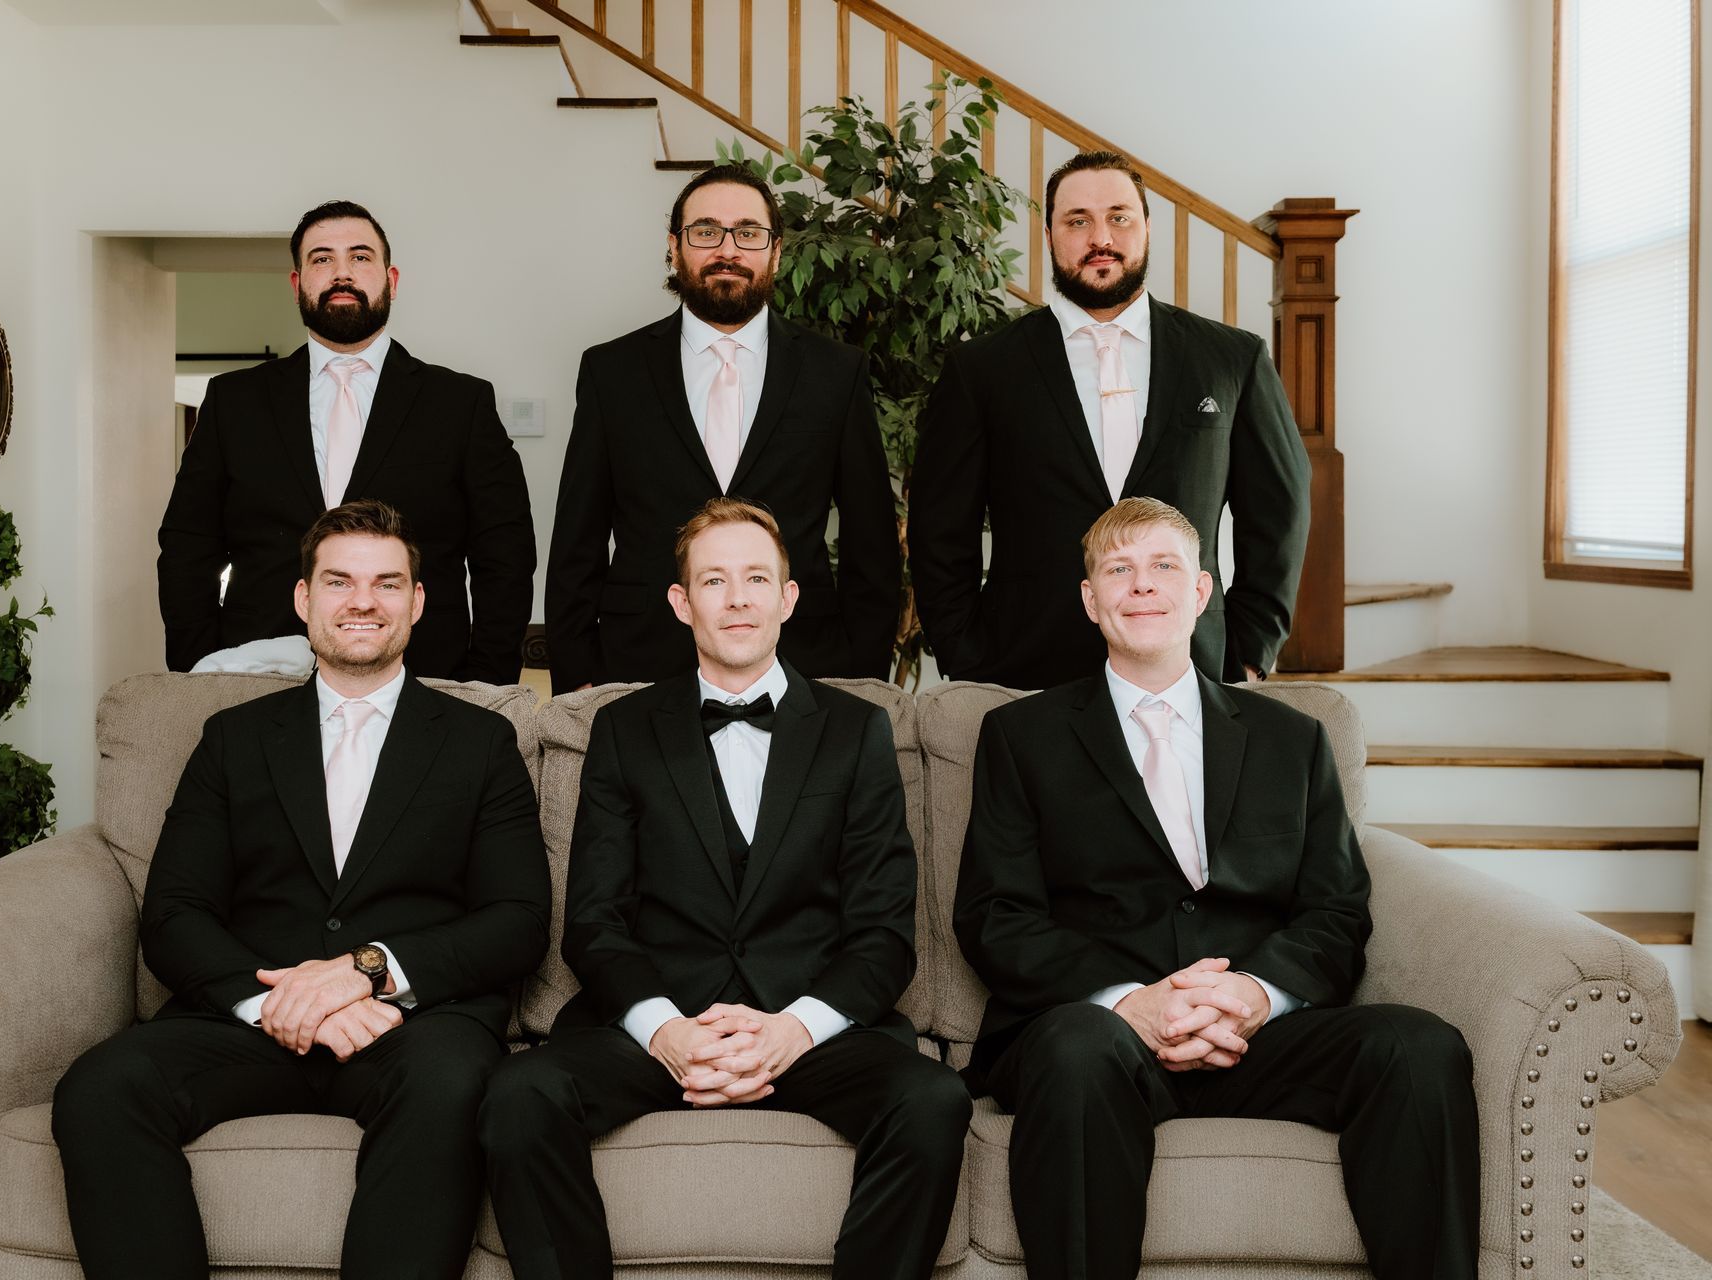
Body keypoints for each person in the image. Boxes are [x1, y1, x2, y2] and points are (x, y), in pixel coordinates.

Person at [951, 496, 1477, 1280]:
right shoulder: (1022, 737)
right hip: (1102, 1034)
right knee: (1073, 1049)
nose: (1142, 586)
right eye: (1118, 571)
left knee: (1418, 1045)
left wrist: (1257, 995)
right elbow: (995, 914)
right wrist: (1135, 999)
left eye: (1164, 566)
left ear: (1201, 592)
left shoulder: (1294, 739)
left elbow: (1335, 910)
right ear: (1091, 601)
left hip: (1257, 1030)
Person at [56, 499, 550, 1280]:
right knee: (101, 1087)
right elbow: (175, 914)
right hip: (253, 1020)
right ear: (303, 600)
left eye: (388, 584)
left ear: (418, 603)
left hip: (411, 1028)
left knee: (454, 1083)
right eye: (340, 582)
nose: (363, 602)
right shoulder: (232, 738)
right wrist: (277, 1003)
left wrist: (364, 973)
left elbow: (518, 920)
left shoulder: (479, 742)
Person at [482, 497, 970, 1280]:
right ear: (682, 603)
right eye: (714, 580)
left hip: (806, 1028)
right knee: (517, 1096)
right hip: (662, 1025)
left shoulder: (857, 730)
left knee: (935, 1101)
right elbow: (596, 922)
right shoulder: (624, 727)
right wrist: (666, 1032)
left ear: (788, 596)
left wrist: (793, 1030)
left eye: (755, 578)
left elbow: (882, 933)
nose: (737, 598)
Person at [908, 150, 1309, 689]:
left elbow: (1280, 511)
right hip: (1023, 678)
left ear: (1146, 229)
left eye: (1119, 217)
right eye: (1078, 221)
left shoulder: (1232, 360)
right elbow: (940, 529)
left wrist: (1251, 651)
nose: (1101, 237)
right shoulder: (979, 370)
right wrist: (965, 652)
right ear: (1049, 235)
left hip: (1193, 670)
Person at [544, 164, 899, 692]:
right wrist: (577, 675)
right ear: (675, 246)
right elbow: (578, 539)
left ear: (775, 252)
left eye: (748, 233)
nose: (726, 249)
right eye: (706, 231)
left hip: (804, 664)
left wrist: (863, 675)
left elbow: (871, 541)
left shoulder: (837, 372)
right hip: (639, 665)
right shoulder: (610, 372)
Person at [158, 199, 537, 683]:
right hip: (253, 674)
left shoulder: (461, 403)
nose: (342, 273)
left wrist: (487, 679)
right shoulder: (234, 400)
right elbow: (188, 544)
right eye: (322, 259)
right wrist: (200, 664)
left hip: (425, 674)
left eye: (360, 257)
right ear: (297, 284)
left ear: (391, 280)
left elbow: (504, 552)